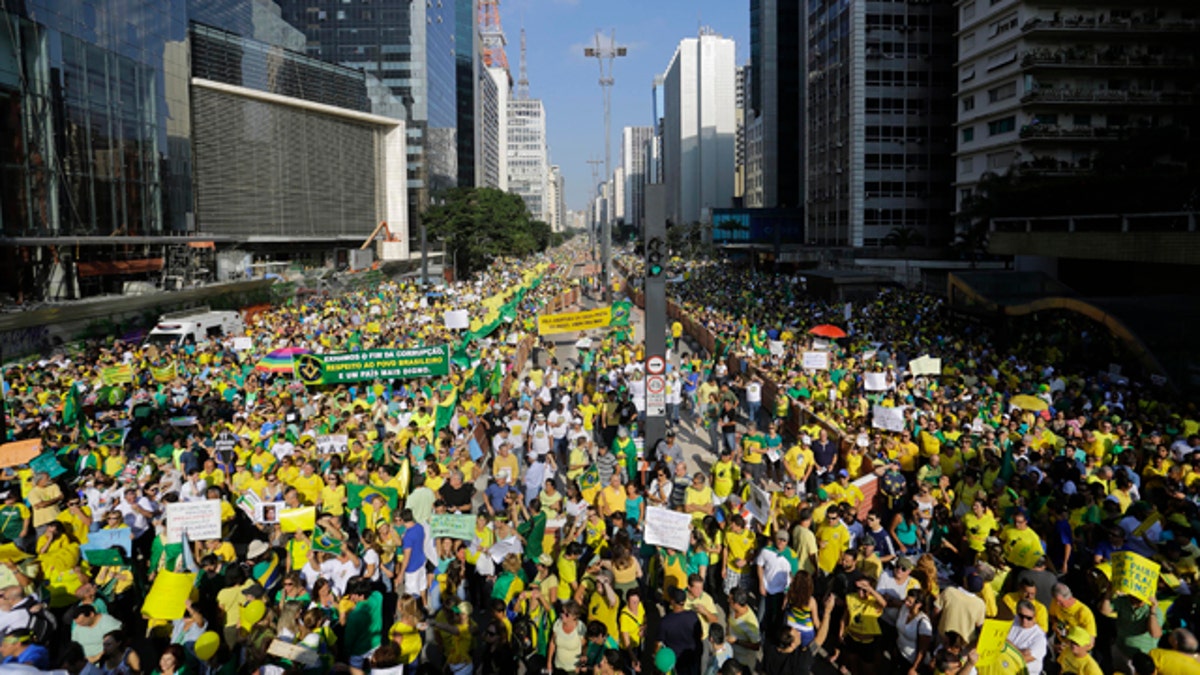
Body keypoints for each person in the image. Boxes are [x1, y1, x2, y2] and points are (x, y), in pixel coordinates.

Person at [1006, 600, 1048, 675]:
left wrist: (1007, 643)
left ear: (1034, 617)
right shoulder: (1013, 621)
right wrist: (1020, 651)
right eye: (1021, 616)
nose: (1024, 620)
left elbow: (1023, 659)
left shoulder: (1039, 637)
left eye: (1029, 618)